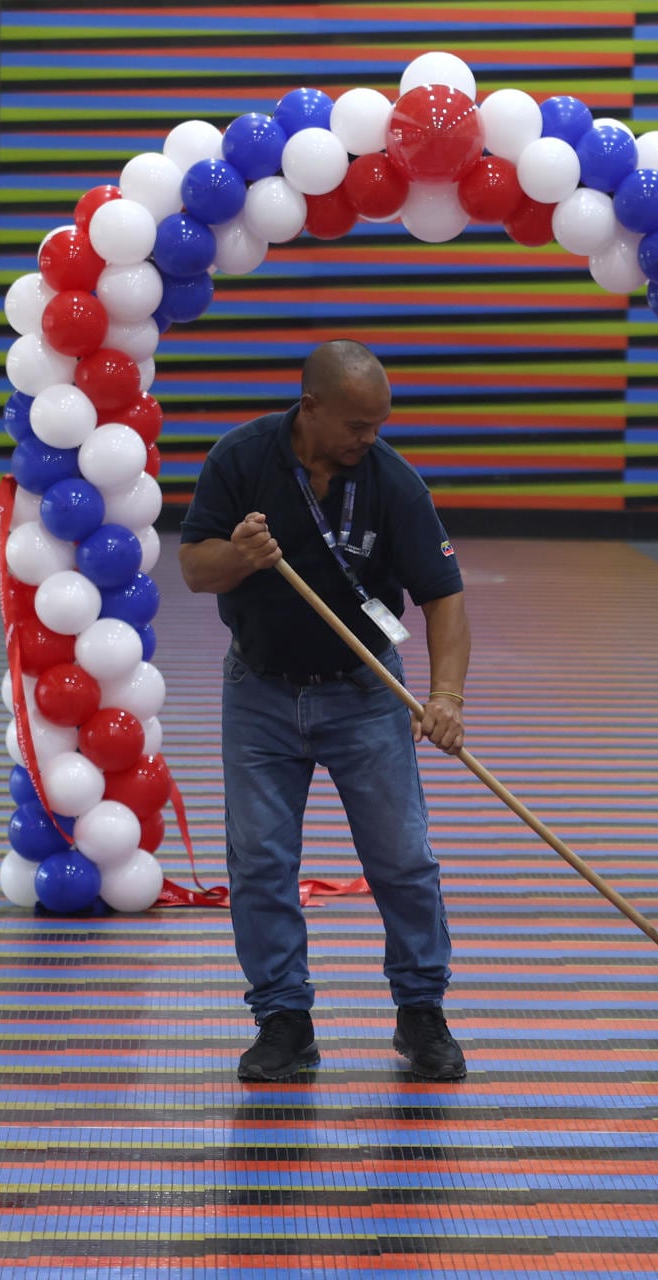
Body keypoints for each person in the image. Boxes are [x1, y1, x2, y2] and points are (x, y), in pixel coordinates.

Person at [178, 340, 472, 1083]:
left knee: (403, 859)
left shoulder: (392, 481)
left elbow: (443, 596)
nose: (370, 439)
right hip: (261, 693)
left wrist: (446, 697)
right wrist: (238, 556)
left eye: (379, 424)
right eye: (358, 426)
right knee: (261, 865)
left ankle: (421, 1012)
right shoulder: (241, 459)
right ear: (310, 407)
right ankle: (283, 1020)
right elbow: (193, 569)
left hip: (366, 690)